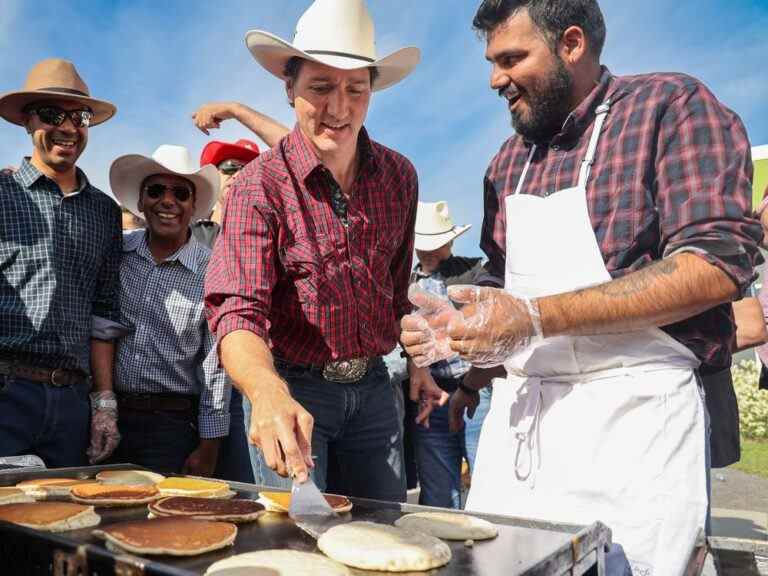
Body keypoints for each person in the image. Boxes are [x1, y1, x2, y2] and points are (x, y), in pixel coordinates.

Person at [401, 1, 762, 573]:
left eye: (512, 58)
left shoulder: (670, 108)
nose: (496, 79)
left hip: (635, 428)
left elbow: (713, 263)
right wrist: (462, 330)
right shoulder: (507, 162)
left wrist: (537, 317)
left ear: (572, 44)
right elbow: (504, 286)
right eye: (493, 61)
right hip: (521, 435)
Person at [205, 0, 443, 500]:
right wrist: (265, 391)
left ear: (372, 91)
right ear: (289, 89)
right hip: (293, 389)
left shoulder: (400, 177)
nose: (339, 107)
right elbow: (237, 312)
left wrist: (418, 361)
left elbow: (397, 292)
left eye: (356, 89)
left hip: (377, 393)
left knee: (385, 535)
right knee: (300, 541)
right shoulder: (257, 187)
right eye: (320, 88)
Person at [0, 59, 122, 467]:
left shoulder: (105, 212)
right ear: (26, 121)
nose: (68, 128)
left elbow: (103, 314)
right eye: (52, 115)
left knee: (64, 525)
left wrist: (104, 404)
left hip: (72, 403)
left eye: (80, 116)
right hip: (6, 393)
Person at [108, 145, 230, 476]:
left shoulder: (212, 270)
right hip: (107, 417)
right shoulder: (117, 253)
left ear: (193, 206)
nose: (167, 201)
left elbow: (215, 365)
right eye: (156, 190)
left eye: (180, 192)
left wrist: (209, 446)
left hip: (173, 427)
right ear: (142, 201)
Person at [408, 201, 500, 508]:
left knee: (488, 481)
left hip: (478, 389)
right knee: (437, 493)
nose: (432, 251)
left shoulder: (476, 272)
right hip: (430, 395)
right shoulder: (403, 284)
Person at [193, 139, 262, 484]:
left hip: (253, 385)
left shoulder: (268, 235)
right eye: (230, 169)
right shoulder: (191, 235)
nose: (238, 175)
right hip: (200, 385)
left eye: (247, 168)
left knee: (250, 486)